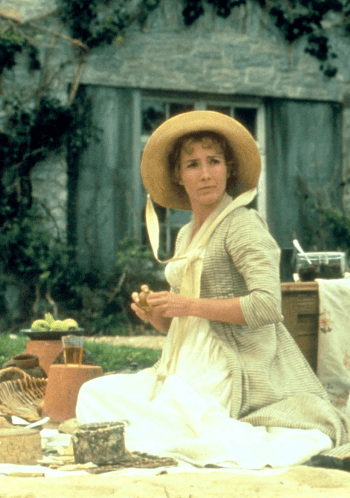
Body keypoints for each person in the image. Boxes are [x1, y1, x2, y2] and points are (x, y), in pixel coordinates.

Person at [76, 110, 350, 468]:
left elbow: (268, 306)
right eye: (192, 164)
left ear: (229, 169)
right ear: (178, 175)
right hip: (187, 362)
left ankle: (210, 433)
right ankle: (179, 427)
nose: (205, 174)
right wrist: (157, 317)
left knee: (182, 412)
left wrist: (187, 304)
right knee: (94, 393)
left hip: (231, 366)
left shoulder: (242, 224)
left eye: (214, 161)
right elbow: (189, 328)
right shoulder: (185, 234)